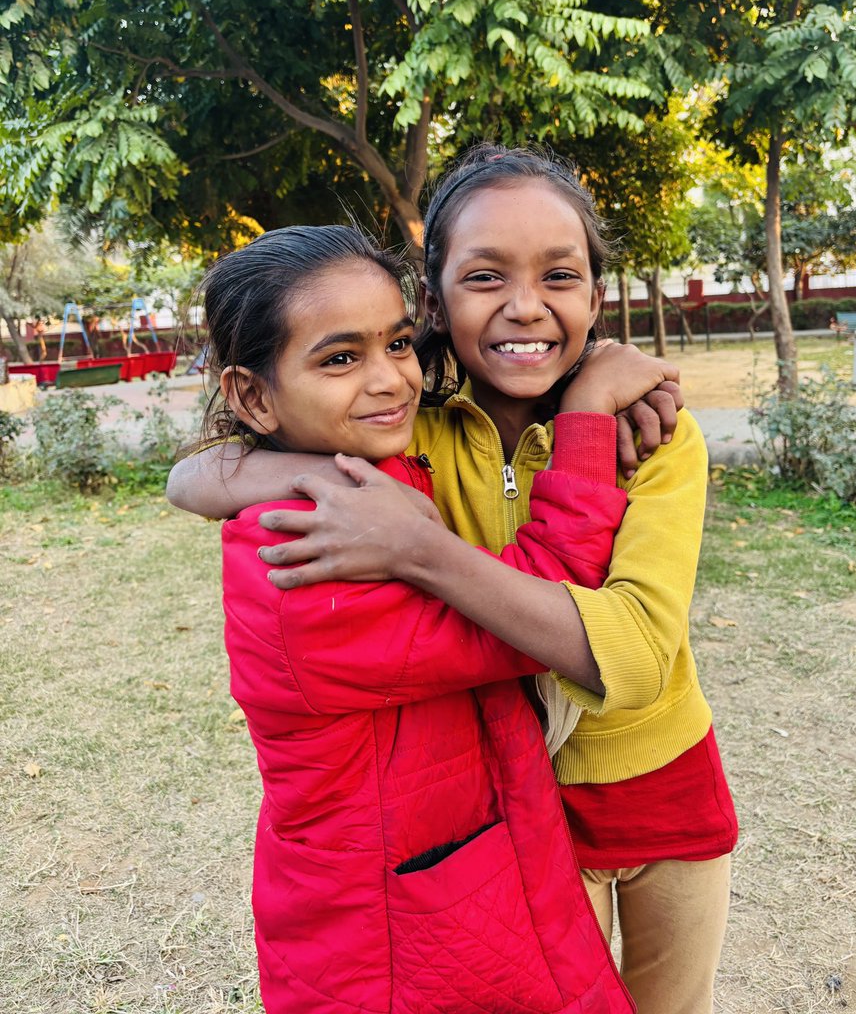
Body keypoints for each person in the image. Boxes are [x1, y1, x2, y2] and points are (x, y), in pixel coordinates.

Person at [169, 146, 738, 1014]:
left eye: (561, 275)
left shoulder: (650, 438)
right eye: (484, 276)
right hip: (527, 813)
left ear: (596, 298)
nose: (525, 306)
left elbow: (628, 654)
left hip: (666, 783)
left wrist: (417, 545)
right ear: (433, 300)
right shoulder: (405, 436)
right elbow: (195, 474)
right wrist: (287, 477)